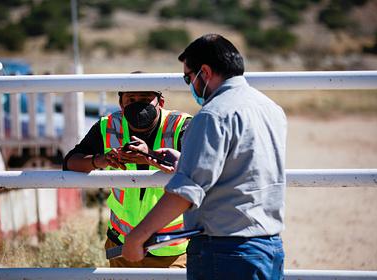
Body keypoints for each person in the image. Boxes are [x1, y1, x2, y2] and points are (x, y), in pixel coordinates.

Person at [121, 34, 287, 280]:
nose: (190, 85)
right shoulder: (270, 108)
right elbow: (245, 169)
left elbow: (186, 192)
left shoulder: (212, 115)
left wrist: (138, 236)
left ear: (205, 72)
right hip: (269, 247)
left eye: (189, 77)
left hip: (225, 252)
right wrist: (185, 162)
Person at [63, 84, 192, 268]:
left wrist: (150, 157)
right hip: (122, 245)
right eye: (131, 99)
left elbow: (197, 172)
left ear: (161, 102)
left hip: (171, 248)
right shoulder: (108, 126)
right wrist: (101, 160)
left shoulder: (181, 126)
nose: (137, 105)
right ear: (121, 104)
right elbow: (70, 162)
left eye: (145, 100)